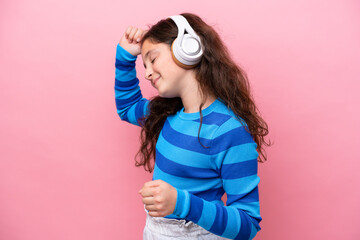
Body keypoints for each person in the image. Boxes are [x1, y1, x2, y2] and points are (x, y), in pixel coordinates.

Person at [114, 13, 270, 240]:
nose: (147, 73)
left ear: (187, 49)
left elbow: (248, 224)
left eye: (153, 59)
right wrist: (125, 57)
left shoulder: (229, 130)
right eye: (144, 65)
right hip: (156, 231)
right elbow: (127, 107)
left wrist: (181, 203)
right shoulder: (166, 114)